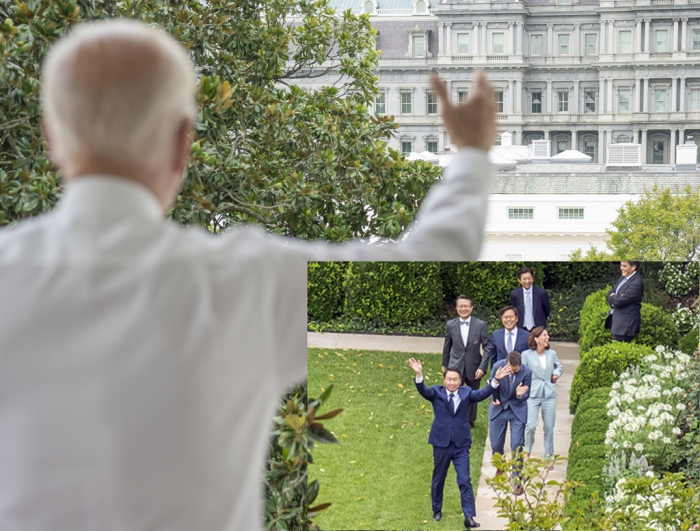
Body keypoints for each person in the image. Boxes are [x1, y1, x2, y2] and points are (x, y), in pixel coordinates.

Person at [0, 20, 497, 530]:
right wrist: (473, 153)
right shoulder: (241, 280)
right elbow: (438, 248)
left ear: (50, 135)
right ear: (180, 142)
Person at [408, 357, 511, 529]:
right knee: (439, 478)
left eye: (455, 380)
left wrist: (496, 380)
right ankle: (437, 509)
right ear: (444, 380)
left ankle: (469, 516)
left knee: (464, 479)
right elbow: (424, 391)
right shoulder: (437, 392)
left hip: (461, 445)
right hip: (441, 443)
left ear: (460, 381)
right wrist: (419, 375)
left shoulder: (466, 393)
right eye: (449, 379)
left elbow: (482, 394)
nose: (452, 383)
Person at [442, 295, 492, 429]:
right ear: (457, 308)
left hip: (474, 365)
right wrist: (444, 365)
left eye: (466, 306)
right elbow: (447, 346)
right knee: (453, 392)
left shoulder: (480, 325)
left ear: (471, 308)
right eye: (460, 306)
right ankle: (452, 417)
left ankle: (469, 421)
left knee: (472, 393)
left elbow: (487, 347)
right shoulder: (450, 325)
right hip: (455, 365)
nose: (463, 309)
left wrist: (482, 367)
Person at [488, 351, 531, 494]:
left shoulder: (527, 372)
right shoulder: (497, 367)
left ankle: (517, 479)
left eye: (515, 370)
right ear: (506, 363)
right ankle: (501, 466)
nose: (512, 372)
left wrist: (520, 395)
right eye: (510, 370)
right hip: (499, 408)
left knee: (516, 444)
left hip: (516, 410)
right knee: (495, 444)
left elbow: (526, 394)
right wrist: (494, 399)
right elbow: (491, 385)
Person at [521, 327, 563, 465]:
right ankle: (527, 451)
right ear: (536, 338)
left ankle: (548, 457)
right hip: (532, 394)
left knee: (549, 427)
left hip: (549, 394)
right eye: (544, 335)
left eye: (548, 335)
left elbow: (559, 367)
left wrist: (556, 373)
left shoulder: (552, 354)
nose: (548, 337)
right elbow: (522, 373)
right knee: (531, 426)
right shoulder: (526, 355)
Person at [605, 261, 644, 343]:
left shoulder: (636, 283)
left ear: (633, 267)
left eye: (624, 266)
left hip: (625, 326)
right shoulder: (624, 278)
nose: (621, 268)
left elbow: (619, 302)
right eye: (621, 265)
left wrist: (614, 296)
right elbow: (610, 292)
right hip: (618, 323)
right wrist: (614, 296)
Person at [510, 266, 551, 332]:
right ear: (519, 280)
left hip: (538, 328)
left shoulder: (541, 293)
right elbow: (513, 311)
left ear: (533, 278)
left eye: (529, 278)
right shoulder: (515, 294)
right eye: (524, 279)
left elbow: (547, 310)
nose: (527, 281)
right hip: (521, 328)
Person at [489, 305, 530, 369]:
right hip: (501, 373)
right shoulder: (496, 335)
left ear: (516, 319)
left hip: (520, 372)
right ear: (501, 319)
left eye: (511, 317)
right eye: (505, 317)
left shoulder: (526, 335)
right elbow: (493, 356)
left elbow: (529, 357)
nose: (508, 320)